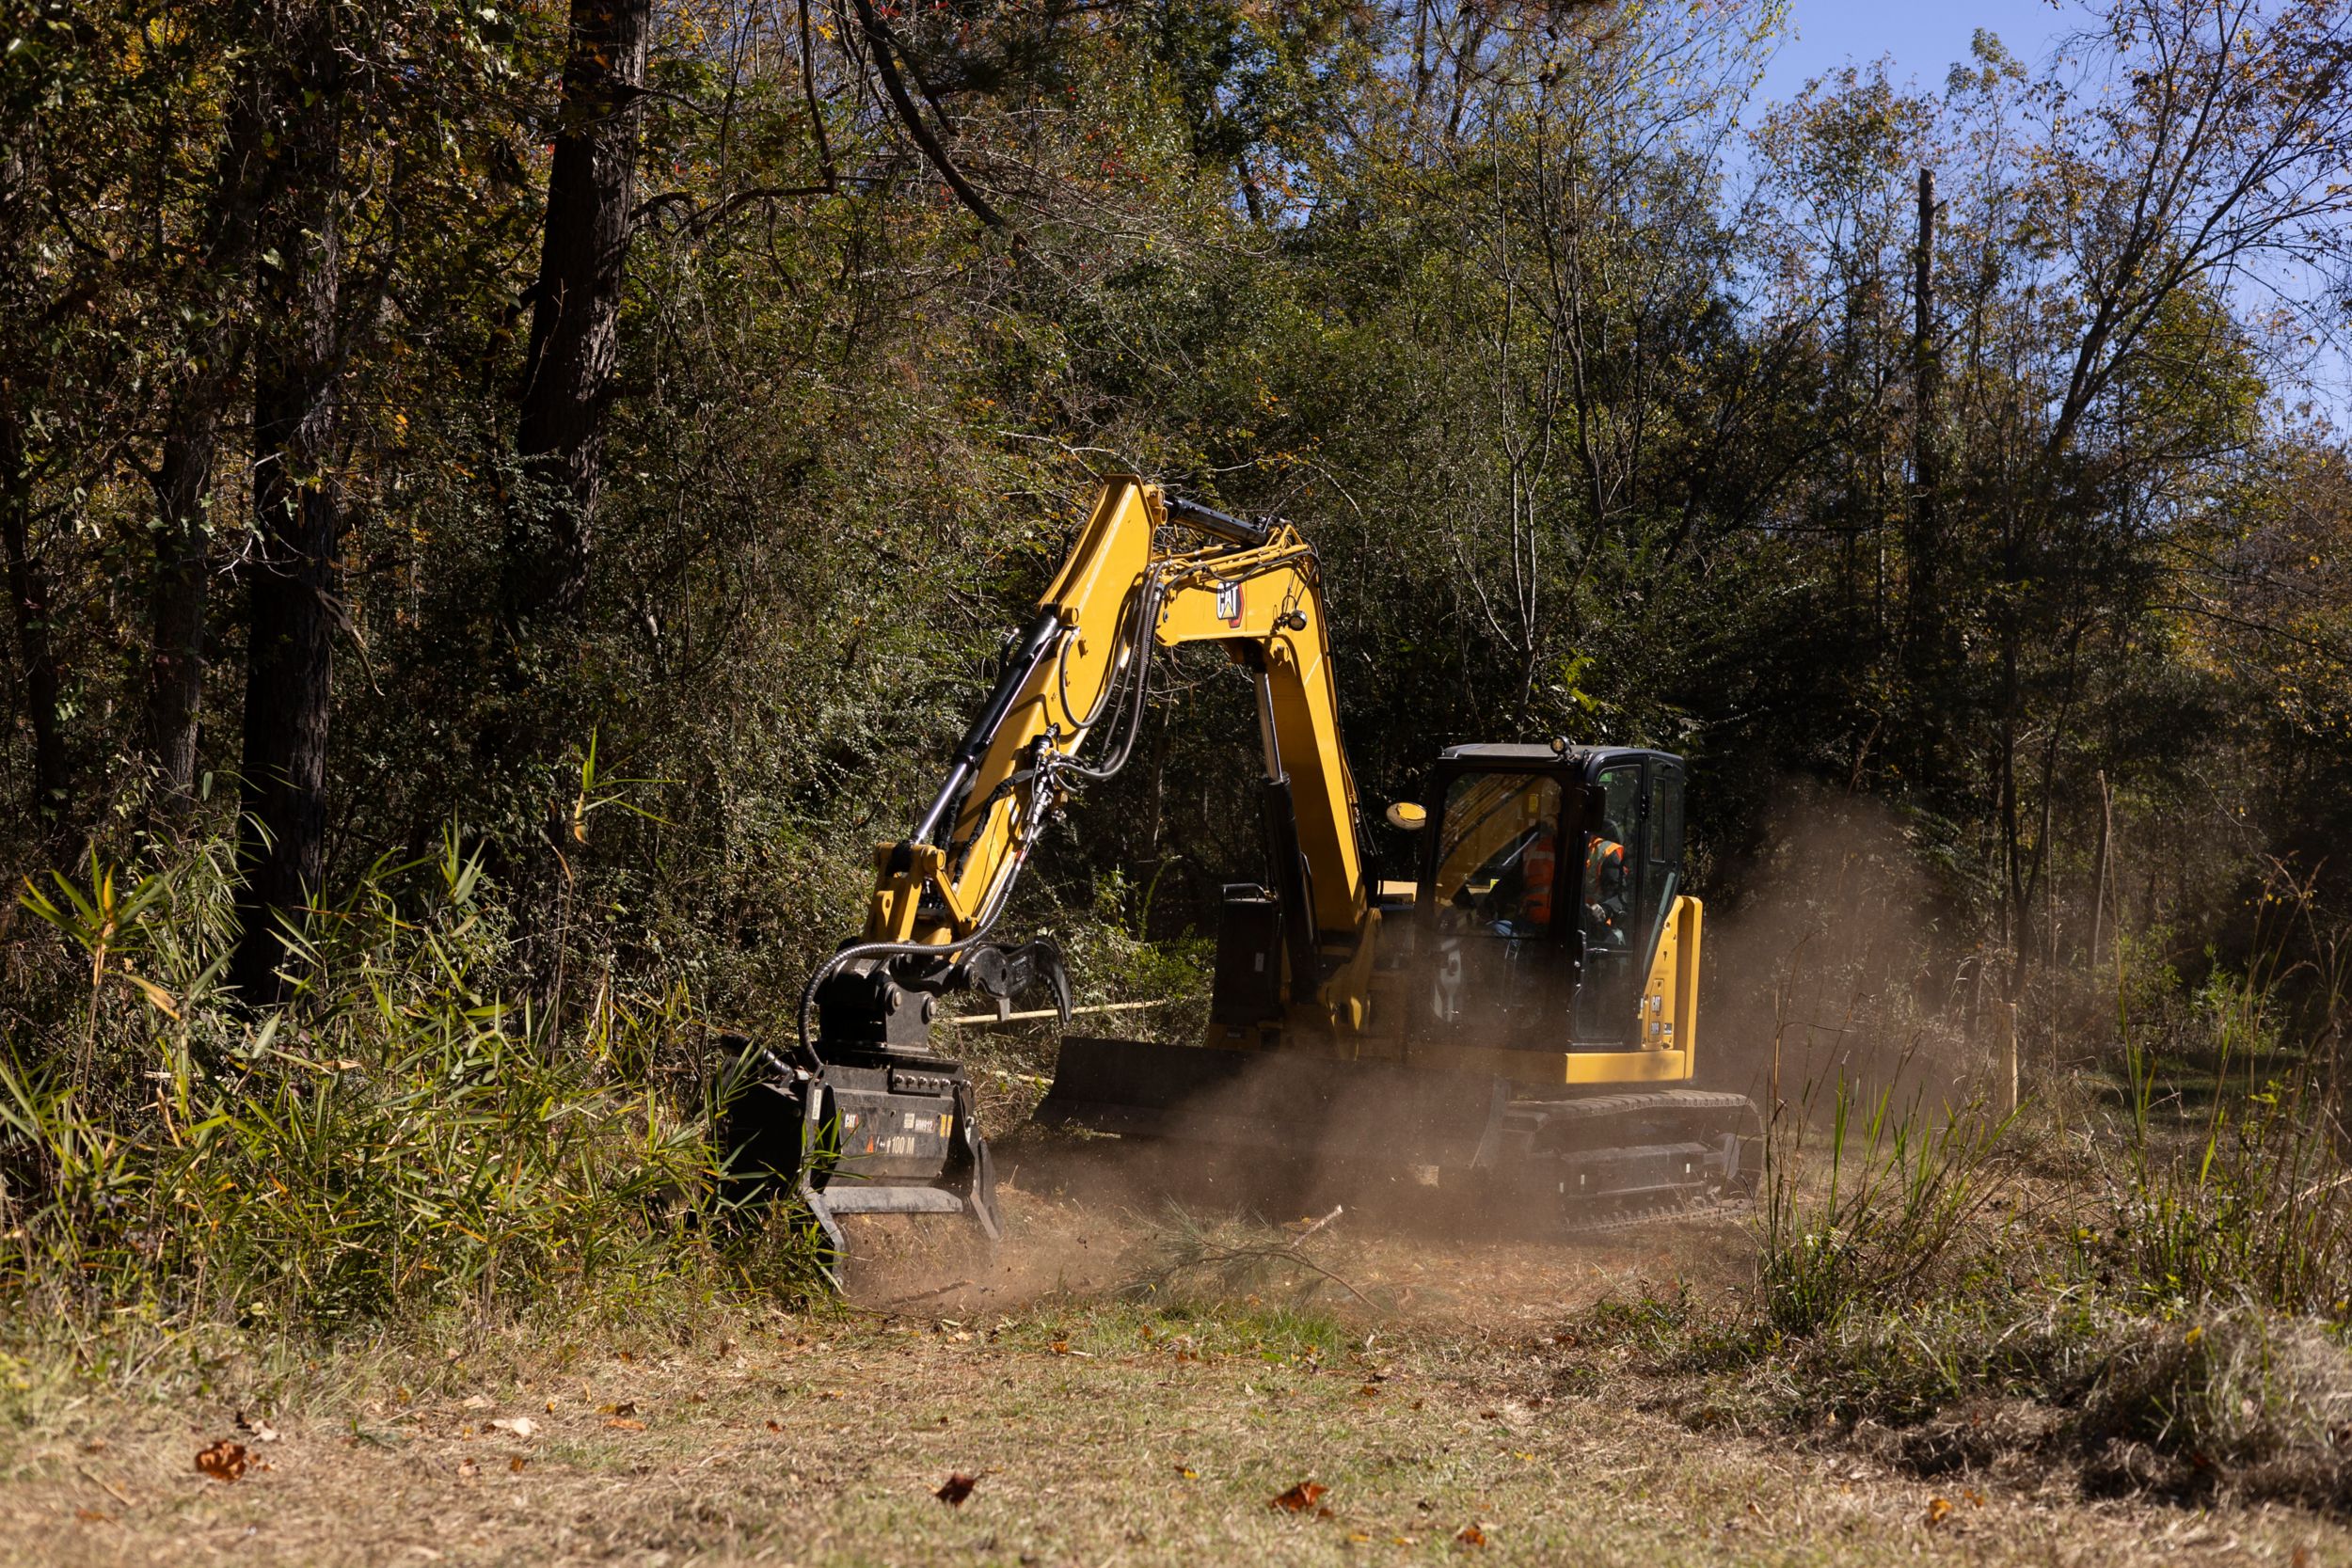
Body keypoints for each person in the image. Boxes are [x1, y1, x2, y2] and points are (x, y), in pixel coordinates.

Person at [1583, 819, 1629, 946]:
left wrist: (1604, 909)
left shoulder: (1604, 852)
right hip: (1537, 931)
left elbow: (1620, 895)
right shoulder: (1537, 845)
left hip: (1591, 931)